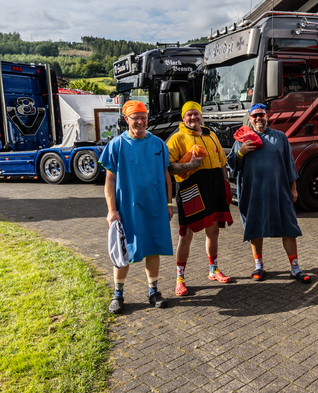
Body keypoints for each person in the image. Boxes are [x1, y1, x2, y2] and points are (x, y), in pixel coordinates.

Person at [100, 100, 173, 314]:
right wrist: (112, 210)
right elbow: (110, 181)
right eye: (136, 117)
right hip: (127, 209)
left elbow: (166, 176)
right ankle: (118, 294)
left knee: (153, 247)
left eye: (143, 117)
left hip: (155, 207)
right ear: (127, 119)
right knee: (124, 250)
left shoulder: (158, 144)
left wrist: (169, 204)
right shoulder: (116, 145)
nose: (140, 121)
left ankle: (153, 292)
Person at [227, 103, 310, 283]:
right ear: (250, 119)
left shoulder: (280, 137)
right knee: (254, 227)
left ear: (267, 116)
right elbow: (232, 164)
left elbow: (289, 163)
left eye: (261, 114)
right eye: (255, 115)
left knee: (289, 227)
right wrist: (240, 152)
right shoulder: (242, 138)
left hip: (278, 190)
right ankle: (259, 266)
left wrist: (293, 188)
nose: (258, 118)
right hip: (253, 191)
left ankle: (295, 268)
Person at [167, 101, 234, 296]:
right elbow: (169, 167)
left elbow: (222, 161)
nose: (193, 118)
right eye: (189, 115)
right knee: (185, 235)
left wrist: (225, 185)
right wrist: (190, 165)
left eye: (196, 114)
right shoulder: (177, 138)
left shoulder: (211, 134)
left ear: (200, 115)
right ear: (183, 117)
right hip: (190, 189)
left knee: (213, 231)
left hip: (213, 187)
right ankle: (180, 278)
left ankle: (213, 270)